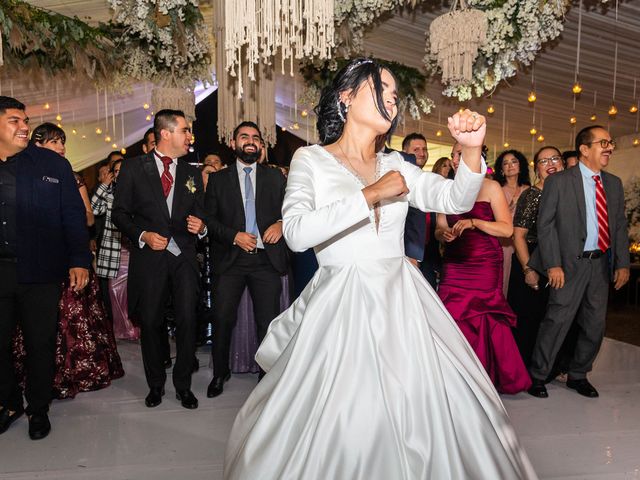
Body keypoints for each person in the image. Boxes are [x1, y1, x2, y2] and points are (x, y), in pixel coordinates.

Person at [223, 59, 537, 479]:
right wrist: (369, 195)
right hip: (341, 302)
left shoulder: (399, 165)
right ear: (346, 97)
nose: (392, 98)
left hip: (401, 301)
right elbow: (297, 234)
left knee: (418, 408)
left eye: (394, 94)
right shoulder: (310, 159)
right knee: (346, 411)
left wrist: (473, 149)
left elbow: (454, 199)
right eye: (381, 88)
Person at [0, 96, 91, 440]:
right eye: (14, 121)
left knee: (41, 343)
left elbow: (72, 214)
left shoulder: (53, 165)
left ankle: (38, 408)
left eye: (25, 120)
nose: (24, 127)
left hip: (41, 272)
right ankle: (9, 402)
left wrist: (79, 259)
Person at [12, 123, 124, 399]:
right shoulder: (17, 171)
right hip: (28, 261)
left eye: (63, 143)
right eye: (55, 142)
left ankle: (70, 375)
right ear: (37, 146)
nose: (61, 148)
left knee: (69, 321)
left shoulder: (70, 176)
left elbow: (85, 216)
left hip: (65, 255)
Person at [112, 109, 206, 410]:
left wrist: (200, 225)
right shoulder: (132, 168)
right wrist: (143, 236)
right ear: (165, 133)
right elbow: (119, 214)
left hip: (184, 259)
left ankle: (183, 386)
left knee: (188, 320)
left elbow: (201, 211)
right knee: (150, 321)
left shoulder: (192, 172)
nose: (189, 136)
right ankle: (155, 385)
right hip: (150, 259)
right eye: (184, 130)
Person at [527, 125, 630, 399]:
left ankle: (578, 374)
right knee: (557, 320)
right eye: (603, 143)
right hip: (567, 265)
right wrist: (553, 264)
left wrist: (622, 263)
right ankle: (538, 375)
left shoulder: (614, 184)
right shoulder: (559, 181)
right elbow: (545, 226)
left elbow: (619, 225)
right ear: (585, 149)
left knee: (595, 324)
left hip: (600, 264)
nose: (609, 147)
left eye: (610, 143)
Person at [436, 142, 531, 394]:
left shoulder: (490, 187)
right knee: (451, 316)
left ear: (477, 155)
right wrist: (442, 234)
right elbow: (439, 225)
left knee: (485, 316)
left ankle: (486, 376)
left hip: (484, 263)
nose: (456, 159)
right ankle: (456, 376)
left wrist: (474, 222)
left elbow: (507, 229)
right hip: (455, 263)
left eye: (461, 153)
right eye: (454, 155)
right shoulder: (445, 188)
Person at [204, 121, 288, 398]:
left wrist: (280, 223)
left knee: (268, 322)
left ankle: (266, 376)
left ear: (261, 145)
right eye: (244, 137)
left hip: (266, 261)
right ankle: (219, 373)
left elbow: (293, 210)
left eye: (255, 138)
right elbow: (210, 220)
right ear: (233, 143)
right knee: (223, 319)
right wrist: (234, 236)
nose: (250, 141)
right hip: (230, 261)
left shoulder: (275, 178)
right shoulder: (218, 179)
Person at [508, 147, 564, 367]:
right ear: (536, 169)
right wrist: (528, 270)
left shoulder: (569, 193)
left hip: (558, 260)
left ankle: (549, 367)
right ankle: (524, 370)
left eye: (554, 159)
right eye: (543, 161)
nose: (550, 164)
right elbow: (518, 235)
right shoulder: (531, 195)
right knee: (530, 319)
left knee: (553, 319)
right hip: (531, 259)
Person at [92, 159, 139, 340]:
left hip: (135, 251)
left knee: (133, 293)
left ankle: (136, 327)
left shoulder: (138, 192)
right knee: (115, 293)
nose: (120, 173)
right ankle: (122, 329)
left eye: (123, 170)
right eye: (116, 171)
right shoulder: (109, 194)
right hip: (114, 251)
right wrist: (103, 185)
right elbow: (94, 210)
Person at [494, 150, 531, 296]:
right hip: (504, 243)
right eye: (505, 163)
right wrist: (513, 203)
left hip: (526, 242)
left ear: (520, 166)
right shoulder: (497, 190)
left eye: (514, 161)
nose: (510, 166)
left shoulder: (529, 190)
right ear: (501, 169)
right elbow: (497, 219)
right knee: (503, 282)